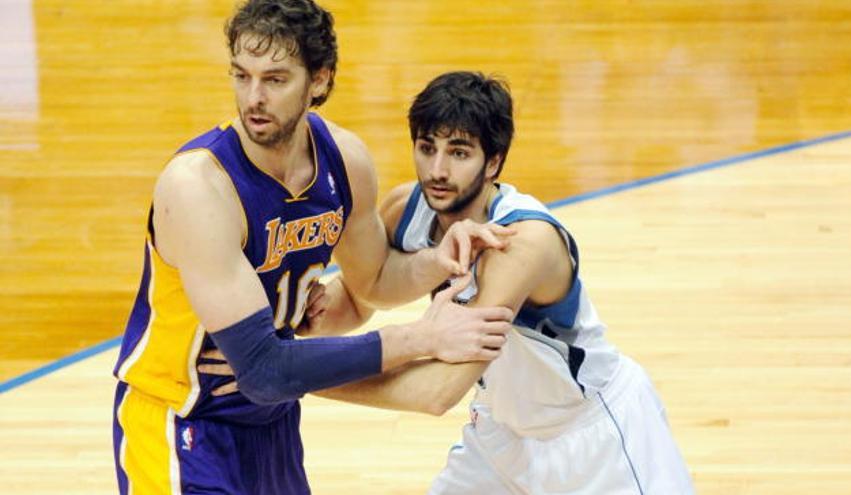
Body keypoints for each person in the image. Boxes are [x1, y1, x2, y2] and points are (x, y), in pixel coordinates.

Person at [110, 3, 515, 494]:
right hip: (184, 419)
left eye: (275, 80)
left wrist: (438, 258)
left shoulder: (343, 160)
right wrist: (421, 338)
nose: (254, 98)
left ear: (319, 80)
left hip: (274, 419)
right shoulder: (197, 187)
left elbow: (375, 282)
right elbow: (260, 369)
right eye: (242, 75)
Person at [288, 71, 696, 494]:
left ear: (494, 162)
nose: (438, 170)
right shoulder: (406, 210)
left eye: (459, 153)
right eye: (427, 149)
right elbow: (358, 300)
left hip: (593, 438)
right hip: (501, 436)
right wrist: (302, 313)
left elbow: (438, 390)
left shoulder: (520, 242)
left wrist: (295, 376)